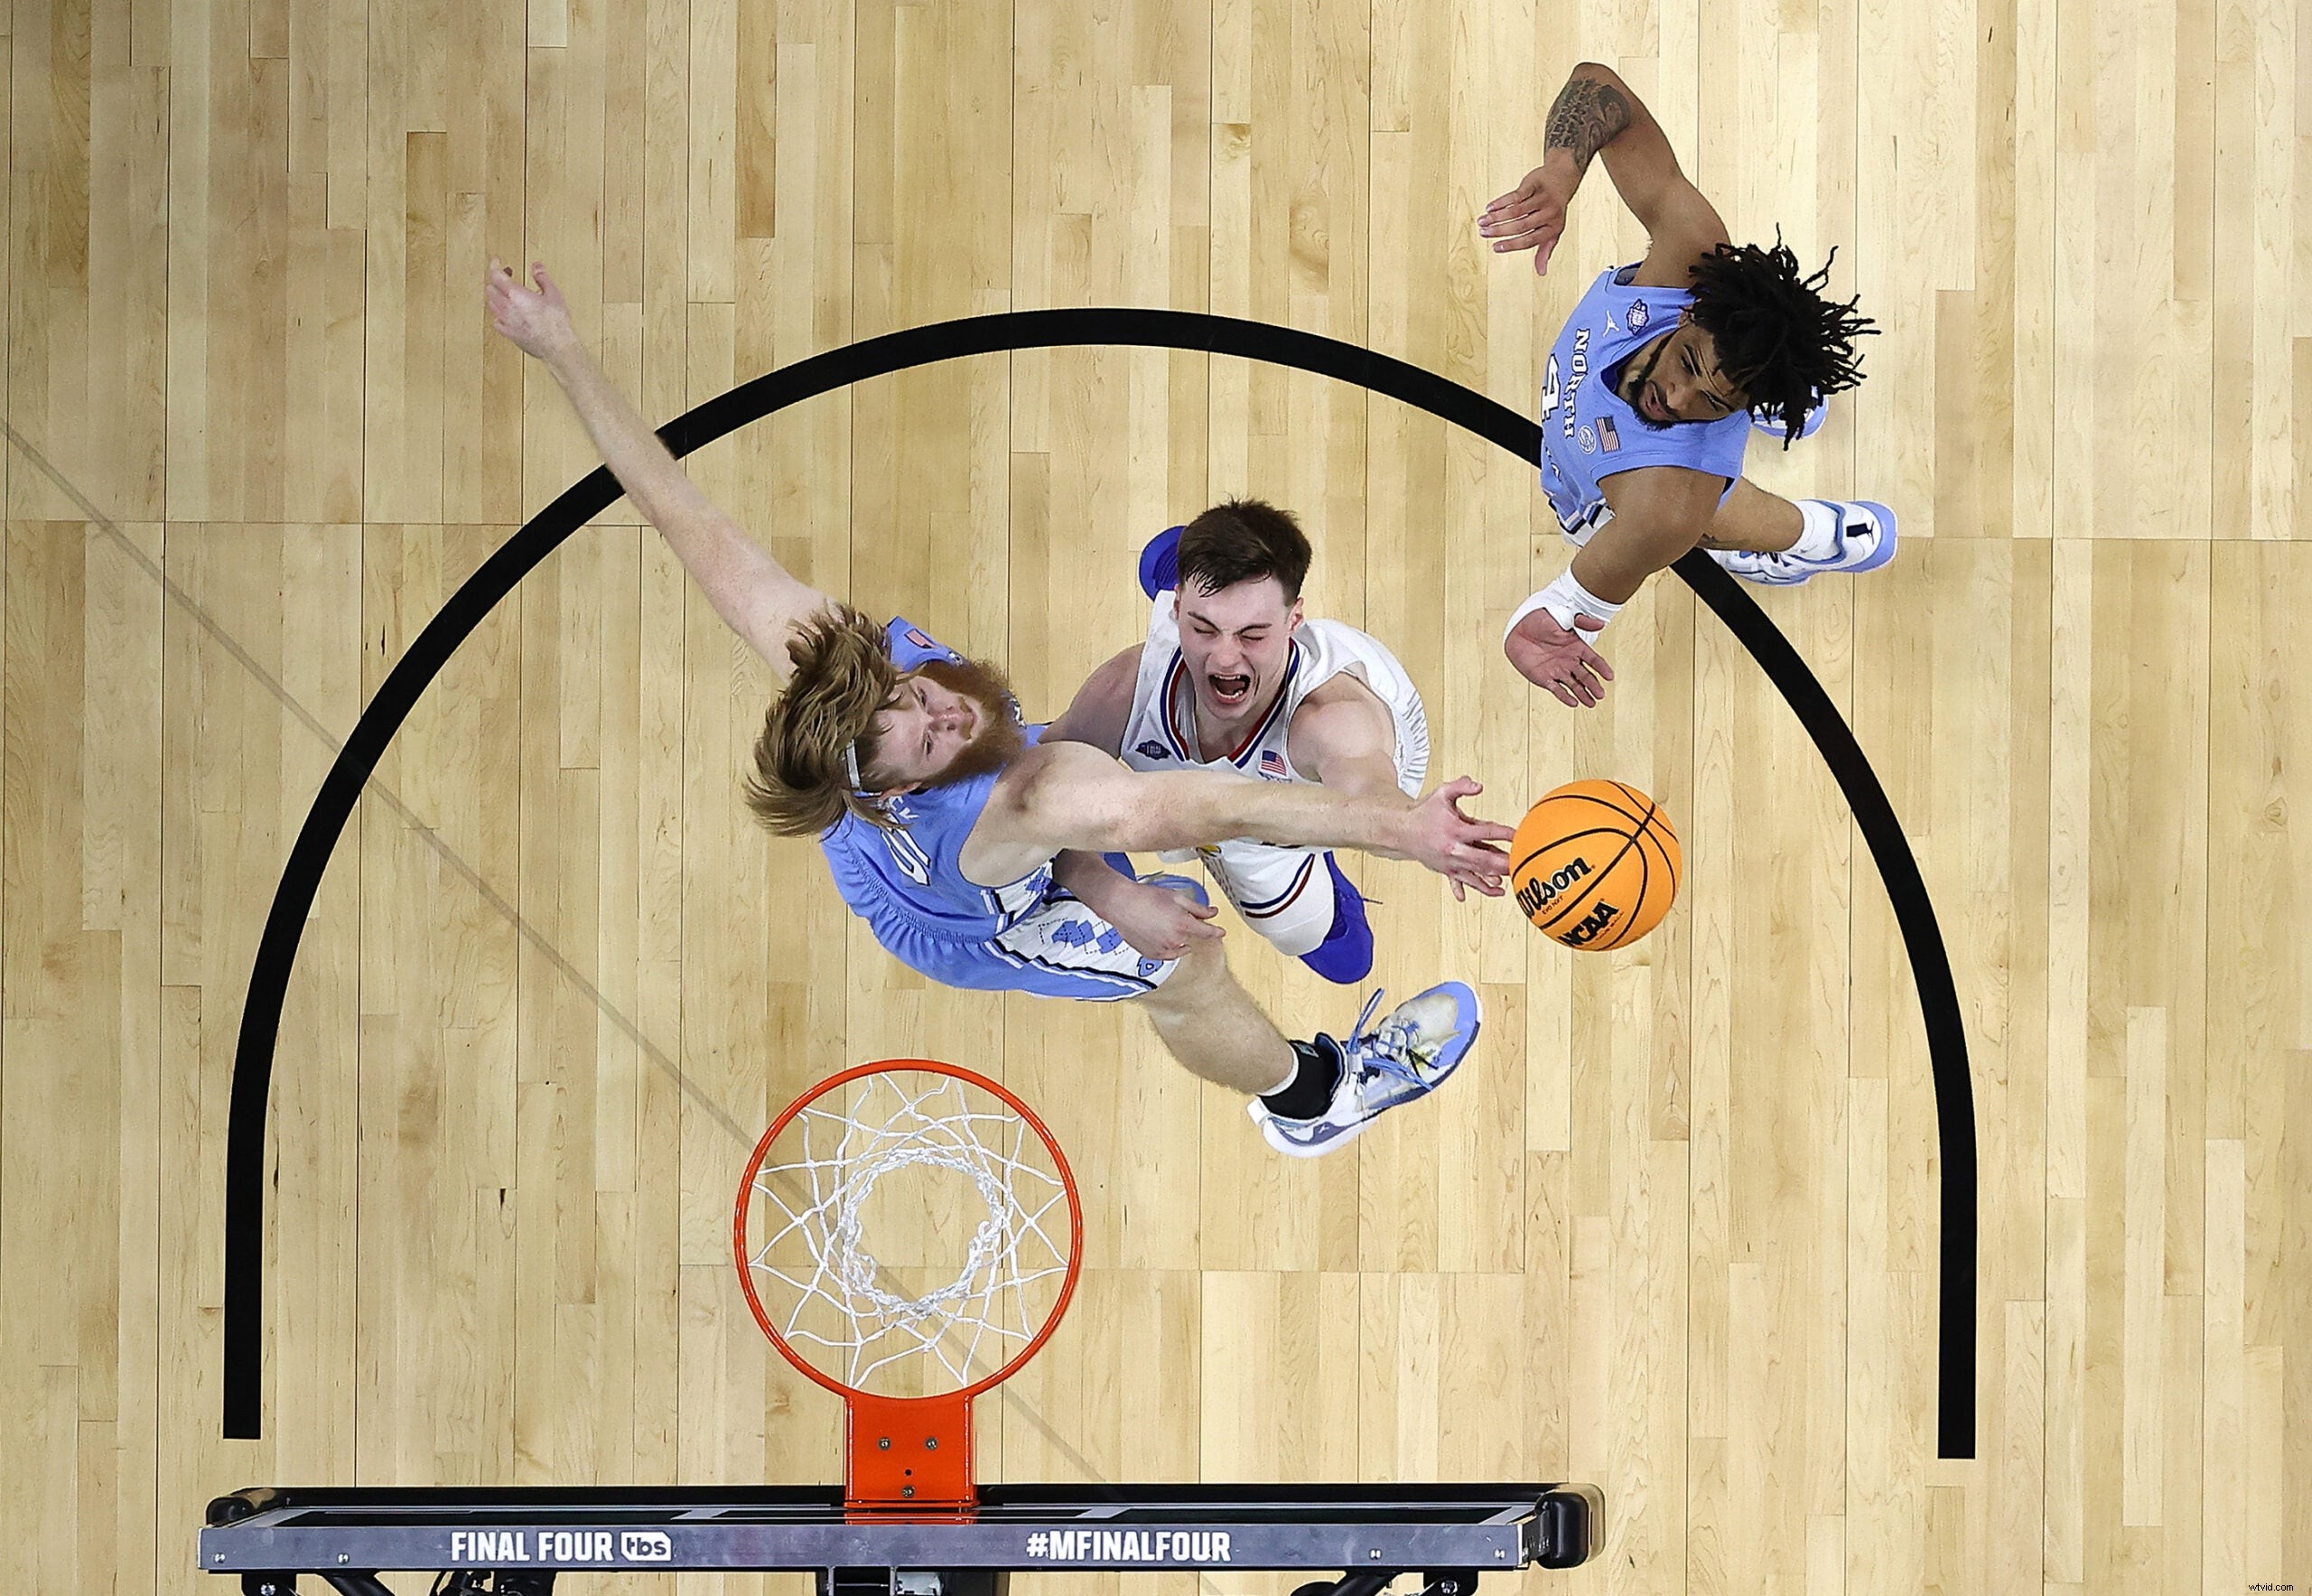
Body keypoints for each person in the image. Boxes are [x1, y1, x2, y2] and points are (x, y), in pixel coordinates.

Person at [485, 257, 1513, 1158]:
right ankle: (1312, 1102)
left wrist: (562, 351)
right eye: (931, 744)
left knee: (1089, 794)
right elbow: (1211, 808)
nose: (947, 718)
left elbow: (682, 518)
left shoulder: (839, 668)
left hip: (957, 843)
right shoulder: (1016, 798)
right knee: (1189, 963)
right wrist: (1400, 828)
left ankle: (1170, 865)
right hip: (975, 916)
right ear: (888, 793)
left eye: (918, 699)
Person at [1478, 60, 1891, 710]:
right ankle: (1778, 404)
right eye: (1691, 366)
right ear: (1692, 310)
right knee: (1710, 452)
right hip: (1637, 464)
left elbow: (1571, 600)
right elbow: (1599, 87)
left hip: (1622, 495)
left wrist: (1546, 619)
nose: (1675, 398)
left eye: (1716, 401)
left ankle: (1811, 537)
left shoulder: (1664, 506)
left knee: (1716, 517)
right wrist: (1562, 172)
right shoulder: (1690, 258)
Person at [1047, 500, 1429, 987]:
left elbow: (1374, 801)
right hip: (1216, 754)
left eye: (1253, 634)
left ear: (1294, 623)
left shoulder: (1332, 721)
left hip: (1331, 785)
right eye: (1202, 628)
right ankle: (1208, 569)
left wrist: (1421, 832)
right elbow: (1033, 795)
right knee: (1159, 560)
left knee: (1340, 958)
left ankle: (1322, 876)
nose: (1225, 658)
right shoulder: (1123, 689)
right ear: (1178, 609)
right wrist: (1111, 895)